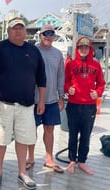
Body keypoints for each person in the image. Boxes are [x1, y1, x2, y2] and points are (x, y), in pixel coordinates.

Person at [0, 17, 46, 189]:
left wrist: (41, 100)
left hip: (26, 106)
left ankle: (22, 172)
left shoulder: (33, 51)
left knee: (24, 139)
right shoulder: (0, 48)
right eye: (14, 28)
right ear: (8, 31)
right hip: (2, 104)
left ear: (26, 31)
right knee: (0, 139)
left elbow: (41, 78)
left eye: (21, 28)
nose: (18, 31)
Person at [26, 24, 65, 173]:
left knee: (50, 129)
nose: (48, 36)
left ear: (54, 36)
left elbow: (61, 75)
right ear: (40, 35)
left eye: (51, 34)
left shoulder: (57, 54)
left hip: (51, 99)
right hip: (33, 99)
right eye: (45, 33)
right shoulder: (32, 51)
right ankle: (30, 158)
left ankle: (49, 159)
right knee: (31, 129)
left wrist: (61, 96)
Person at [64, 36, 105, 175]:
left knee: (86, 135)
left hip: (89, 106)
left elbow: (101, 84)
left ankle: (81, 161)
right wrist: (68, 88)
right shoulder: (70, 64)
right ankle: (71, 161)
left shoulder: (96, 65)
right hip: (73, 105)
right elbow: (65, 81)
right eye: (81, 47)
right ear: (77, 48)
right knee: (72, 134)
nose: (83, 49)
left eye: (86, 47)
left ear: (90, 49)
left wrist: (98, 92)